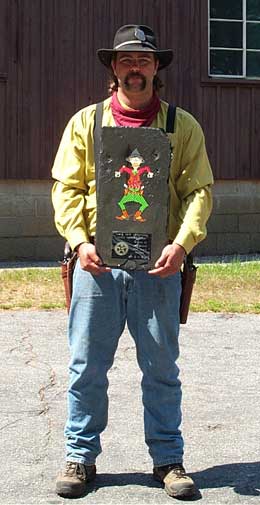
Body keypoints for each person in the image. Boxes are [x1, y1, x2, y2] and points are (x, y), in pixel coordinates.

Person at [52, 24, 214, 500]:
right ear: (113, 67)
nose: (136, 68)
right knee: (86, 366)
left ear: (156, 67)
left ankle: (168, 459)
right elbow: (67, 187)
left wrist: (181, 245)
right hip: (96, 265)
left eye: (144, 60)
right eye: (127, 60)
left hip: (159, 265)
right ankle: (80, 457)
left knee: (161, 367)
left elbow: (198, 190)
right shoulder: (86, 122)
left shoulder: (180, 126)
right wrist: (80, 242)